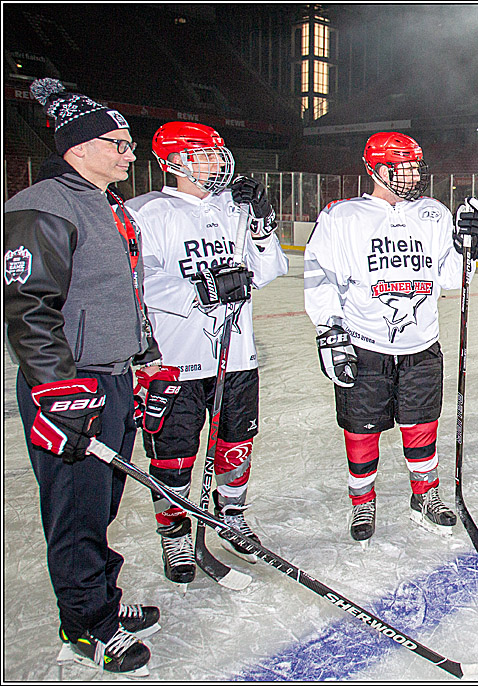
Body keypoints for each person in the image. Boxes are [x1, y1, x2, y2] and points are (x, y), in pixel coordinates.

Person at [4, 78, 158, 675]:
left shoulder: (110, 205)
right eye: (117, 144)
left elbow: (125, 295)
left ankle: (101, 600)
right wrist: (56, 390)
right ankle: (84, 624)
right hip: (70, 386)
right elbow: (29, 306)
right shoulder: (43, 205)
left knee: (101, 503)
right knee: (74, 509)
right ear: (79, 147)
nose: (130, 153)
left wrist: (145, 360)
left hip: (112, 377)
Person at [125, 122, 288, 583]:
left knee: (235, 445)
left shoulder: (233, 210)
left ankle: (230, 516)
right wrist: (200, 289)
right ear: (173, 162)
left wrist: (259, 223)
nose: (217, 164)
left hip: (236, 357)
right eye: (204, 156)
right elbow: (135, 283)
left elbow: (271, 267)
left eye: (218, 154)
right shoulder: (147, 213)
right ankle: (175, 533)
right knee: (173, 454)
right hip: (176, 360)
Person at [303, 132, 478, 543]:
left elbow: (455, 278)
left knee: (422, 424)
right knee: (360, 429)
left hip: (421, 347)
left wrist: (471, 246)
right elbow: (319, 277)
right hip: (365, 345)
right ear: (377, 169)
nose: (413, 175)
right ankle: (362, 500)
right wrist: (329, 330)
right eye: (404, 166)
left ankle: (425, 494)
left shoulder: (434, 214)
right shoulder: (342, 217)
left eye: (416, 166)